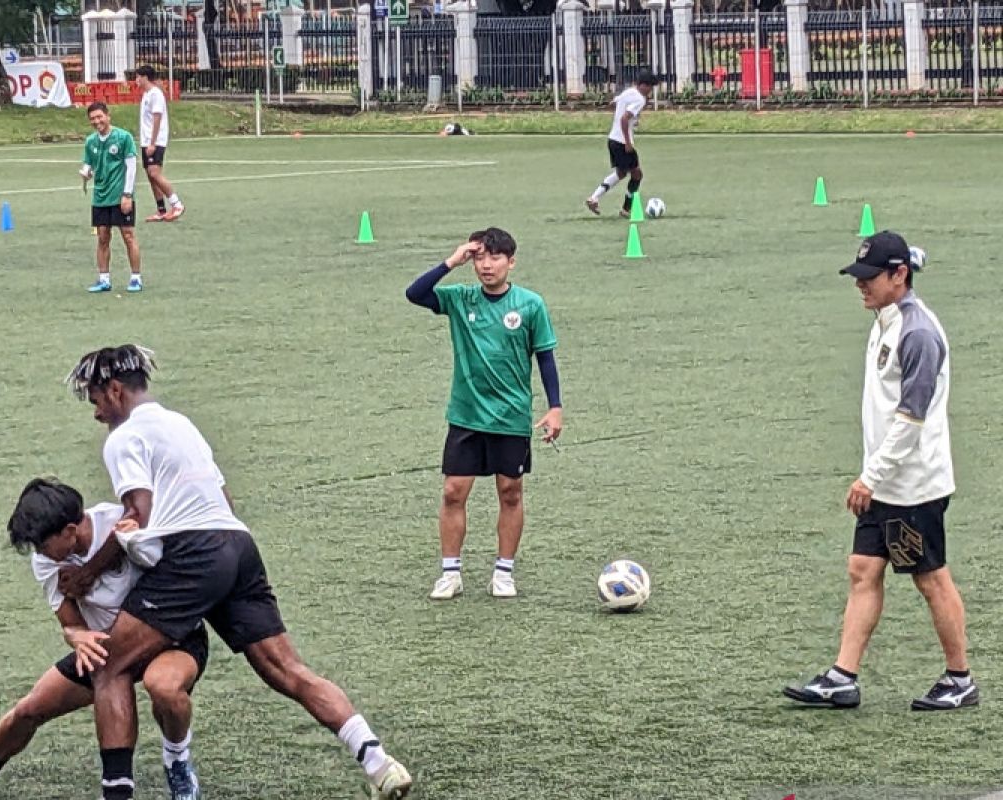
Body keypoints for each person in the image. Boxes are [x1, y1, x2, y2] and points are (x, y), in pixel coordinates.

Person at [59, 345, 413, 800]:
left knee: (109, 669)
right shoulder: (182, 424)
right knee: (288, 670)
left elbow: (138, 512)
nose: (97, 414)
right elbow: (223, 500)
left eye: (96, 402)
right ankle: (378, 762)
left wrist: (89, 573)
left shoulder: (123, 438)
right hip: (238, 545)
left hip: (191, 554)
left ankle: (122, 792)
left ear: (114, 390)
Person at [783, 231, 978, 711]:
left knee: (930, 578)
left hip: (913, 486)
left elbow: (912, 419)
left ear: (900, 275)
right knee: (863, 569)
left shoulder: (918, 334)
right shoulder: (886, 320)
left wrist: (872, 476)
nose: (861, 285)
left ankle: (960, 679)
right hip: (885, 480)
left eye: (870, 277)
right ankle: (842, 677)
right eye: (859, 276)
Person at [0, 479, 207, 800]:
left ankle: (177, 762)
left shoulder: (128, 523)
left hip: (172, 639)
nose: (40, 554)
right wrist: (80, 638)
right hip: (105, 650)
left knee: (164, 688)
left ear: (70, 531)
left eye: (43, 545)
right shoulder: (46, 561)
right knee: (29, 710)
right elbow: (70, 624)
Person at [404, 227, 562, 600]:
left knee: (510, 492)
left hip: (510, 417)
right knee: (453, 491)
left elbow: (546, 358)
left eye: (494, 258)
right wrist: (451, 261)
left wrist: (555, 407)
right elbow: (415, 294)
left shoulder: (530, 305)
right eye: (479, 258)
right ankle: (450, 573)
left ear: (511, 261)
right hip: (466, 415)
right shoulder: (461, 300)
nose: (486, 265)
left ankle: (503, 572)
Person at [80, 102, 143, 294]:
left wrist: (127, 194)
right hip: (100, 197)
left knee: (128, 235)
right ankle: (104, 279)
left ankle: (136, 278)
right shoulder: (91, 142)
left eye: (99, 117)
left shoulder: (123, 137)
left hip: (120, 196)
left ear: (108, 116)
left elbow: (131, 167)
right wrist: (86, 173)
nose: (96, 121)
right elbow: (88, 164)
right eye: (92, 118)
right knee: (102, 237)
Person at [585, 69, 659, 218]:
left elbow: (615, 101)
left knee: (621, 173)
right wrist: (627, 141)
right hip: (621, 141)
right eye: (650, 87)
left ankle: (594, 198)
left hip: (612, 139)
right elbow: (624, 118)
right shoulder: (639, 99)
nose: (650, 91)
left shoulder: (629, 91)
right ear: (643, 85)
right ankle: (626, 209)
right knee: (637, 174)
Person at [134, 66, 185, 223]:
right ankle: (161, 210)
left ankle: (177, 204)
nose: (135, 80)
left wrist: (153, 143)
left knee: (155, 173)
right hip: (146, 140)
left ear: (145, 78)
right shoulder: (146, 94)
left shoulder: (155, 94)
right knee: (151, 176)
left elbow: (157, 118)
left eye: (137, 77)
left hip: (155, 141)